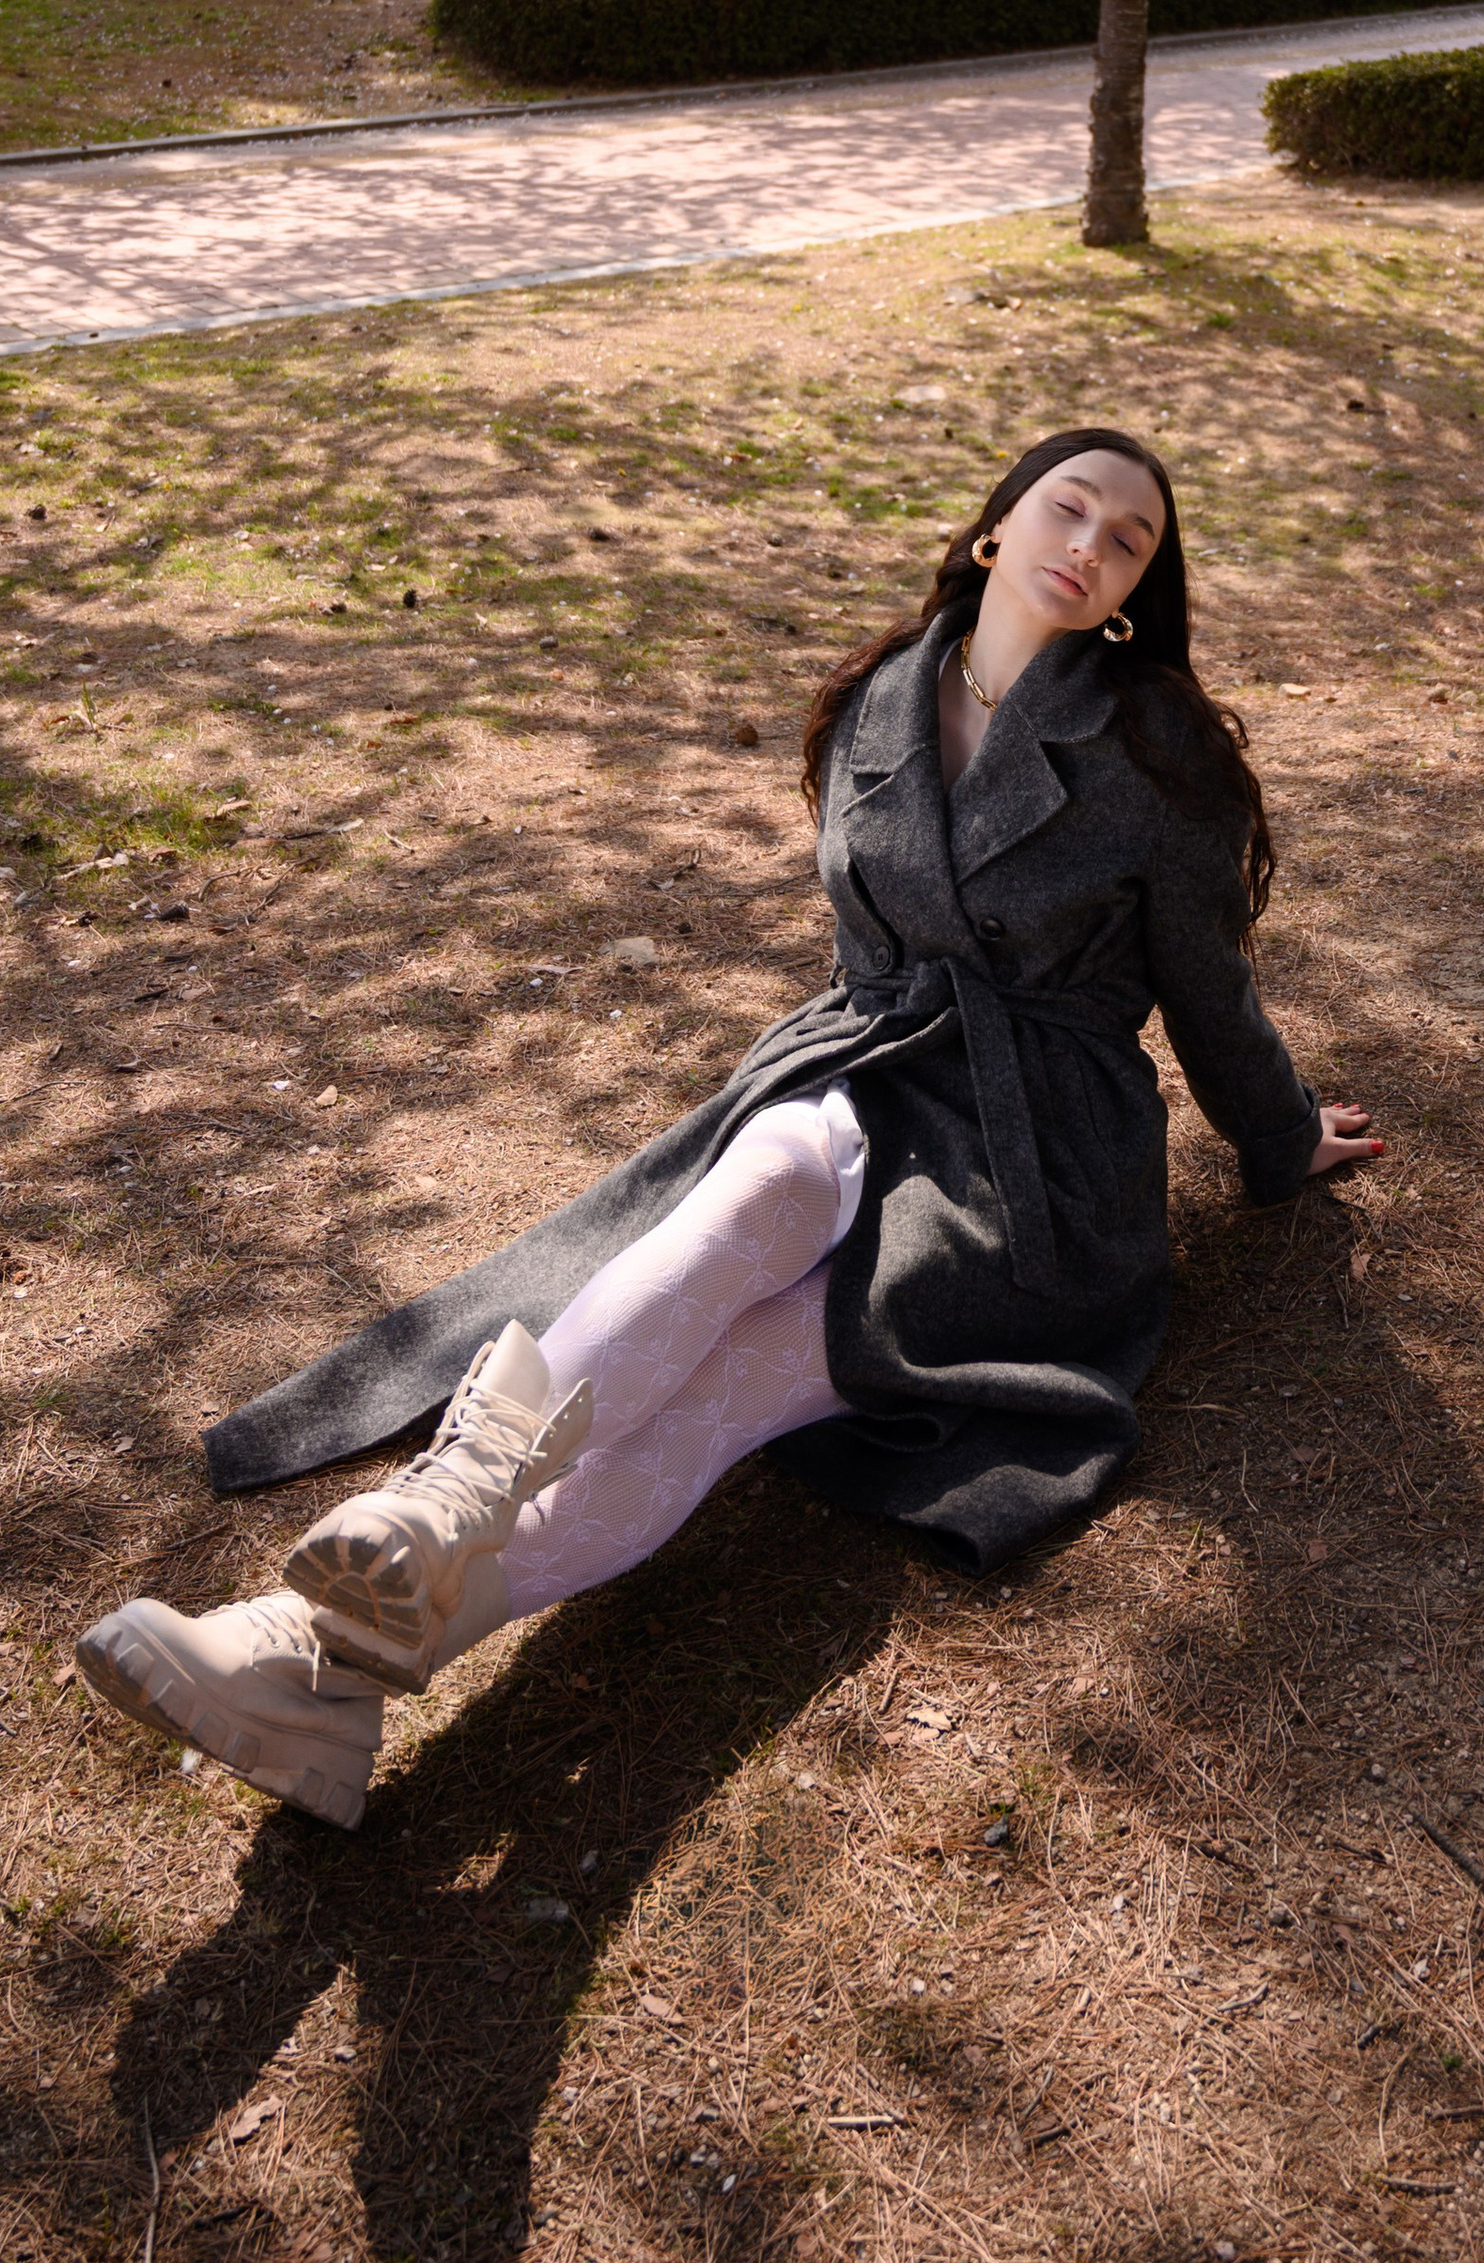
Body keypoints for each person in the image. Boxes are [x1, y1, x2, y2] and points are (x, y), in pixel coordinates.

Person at [78, 428, 1379, 1831]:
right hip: (872, 1065)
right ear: (997, 530)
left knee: (750, 1367)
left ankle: (309, 1657)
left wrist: (1281, 1133)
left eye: (1128, 540)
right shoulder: (887, 696)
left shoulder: (1151, 744)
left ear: (1132, 590)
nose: (1092, 543)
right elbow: (864, 943)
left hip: (1039, 1155)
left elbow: (1210, 989)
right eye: (1070, 509)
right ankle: (435, 1517)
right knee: (757, 1185)